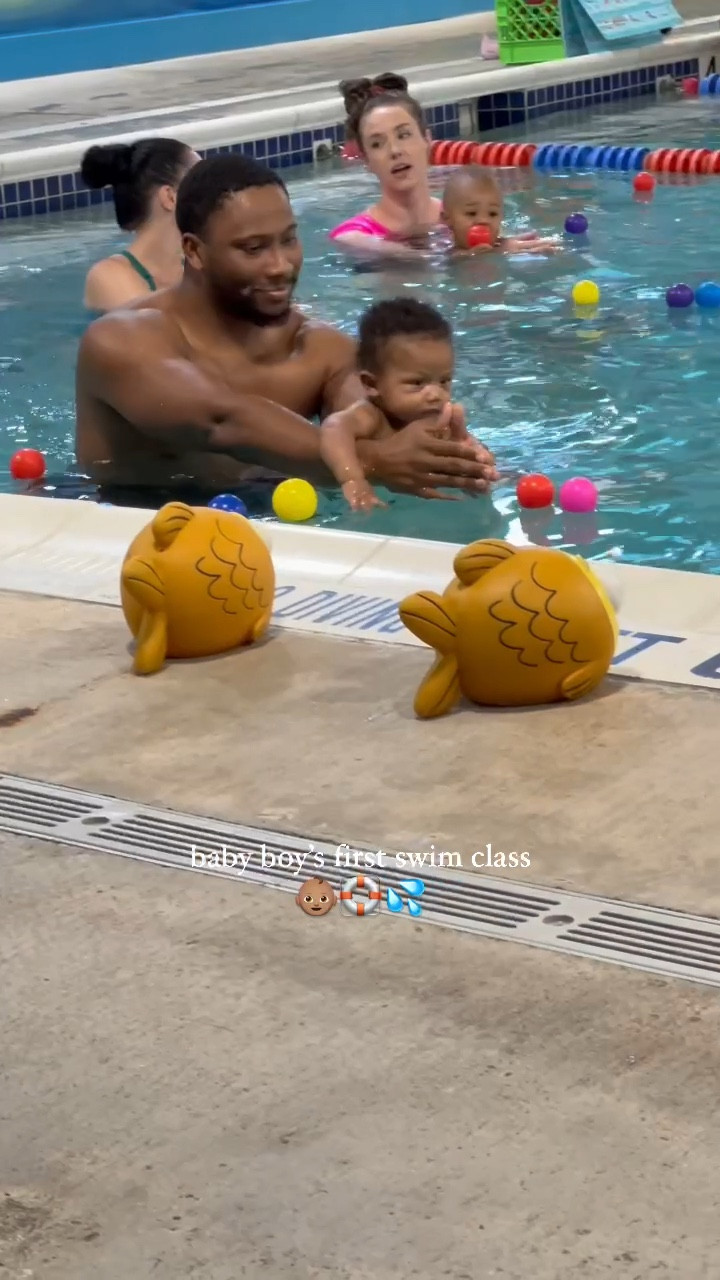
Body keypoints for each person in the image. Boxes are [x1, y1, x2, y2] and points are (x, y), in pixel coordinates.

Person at [75, 153, 498, 506]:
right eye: (253, 248)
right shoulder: (122, 340)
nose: (280, 266)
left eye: (288, 240)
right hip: (126, 517)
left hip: (271, 512)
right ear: (194, 251)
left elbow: (383, 428)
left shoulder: (320, 351)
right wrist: (373, 464)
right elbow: (219, 420)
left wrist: (450, 455)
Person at [321, 297, 479, 512]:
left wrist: (477, 465)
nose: (436, 395)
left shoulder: (442, 417)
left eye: (444, 381)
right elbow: (333, 428)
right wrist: (352, 479)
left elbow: (463, 451)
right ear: (372, 384)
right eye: (417, 383)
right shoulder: (372, 416)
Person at [328, 73, 444, 255]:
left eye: (404, 135)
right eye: (377, 144)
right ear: (366, 160)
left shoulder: (464, 214)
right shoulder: (353, 238)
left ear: (427, 140)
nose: (395, 150)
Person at [81, 138, 200, 312]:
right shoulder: (108, 276)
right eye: (201, 181)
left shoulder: (199, 265)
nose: (214, 192)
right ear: (170, 197)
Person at [442, 168, 560, 254]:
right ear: (447, 219)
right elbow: (456, 260)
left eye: (492, 214)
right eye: (472, 213)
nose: (483, 221)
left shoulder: (502, 243)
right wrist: (498, 252)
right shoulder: (444, 253)